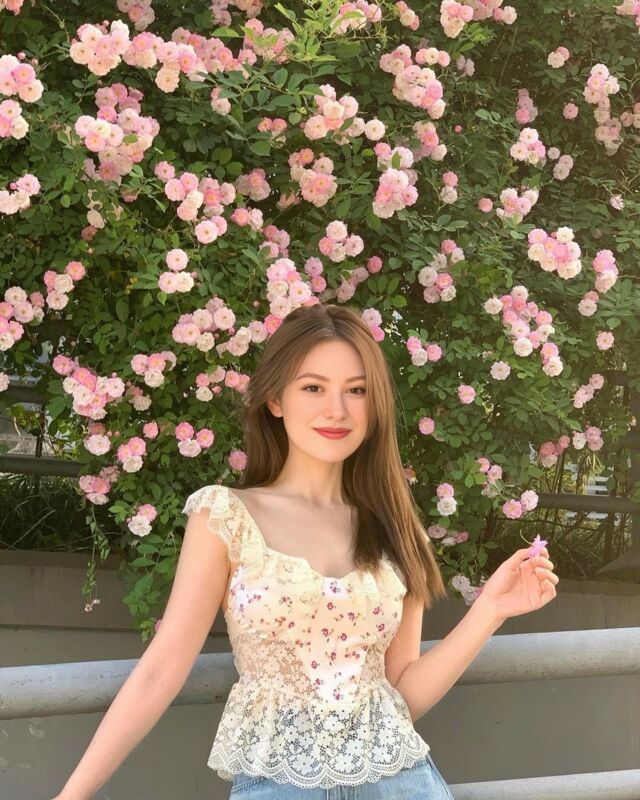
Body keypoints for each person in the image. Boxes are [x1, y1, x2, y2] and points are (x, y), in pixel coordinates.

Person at [51, 304, 558, 800]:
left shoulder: (398, 529)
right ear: (275, 399)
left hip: (403, 784)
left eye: (356, 390)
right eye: (313, 387)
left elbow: (401, 694)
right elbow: (160, 671)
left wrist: (489, 611)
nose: (337, 409)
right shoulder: (226, 517)